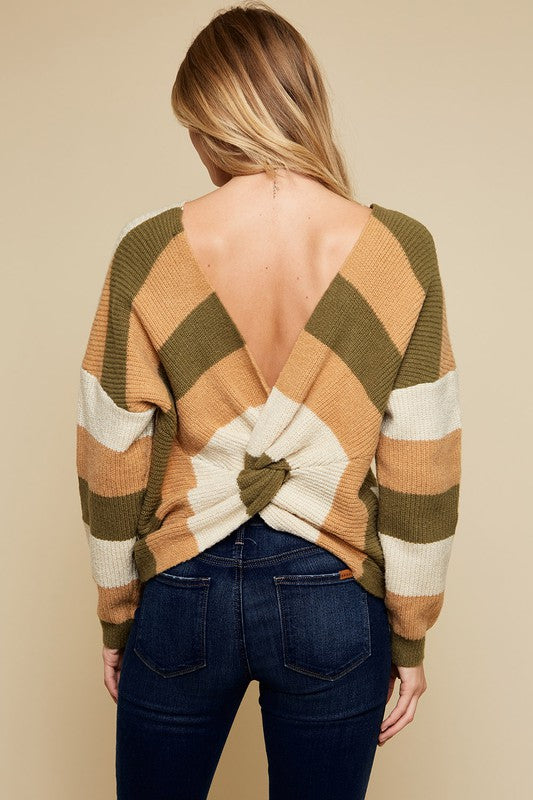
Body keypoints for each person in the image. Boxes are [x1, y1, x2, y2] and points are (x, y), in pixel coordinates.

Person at [75, 3, 462, 798]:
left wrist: (116, 612)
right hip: (332, 594)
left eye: (195, 126)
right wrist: (410, 633)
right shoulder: (397, 251)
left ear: (217, 117)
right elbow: (423, 461)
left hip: (182, 589)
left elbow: (111, 450)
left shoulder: (151, 249)